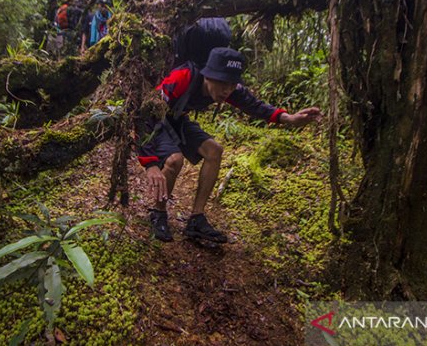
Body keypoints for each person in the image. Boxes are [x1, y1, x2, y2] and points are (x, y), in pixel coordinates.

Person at [137, 47, 323, 243]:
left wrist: (288, 118)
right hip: (156, 119)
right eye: (223, 83)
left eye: (232, 84)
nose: (227, 90)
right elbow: (144, 112)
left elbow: (253, 105)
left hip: (178, 118)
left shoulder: (228, 90)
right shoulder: (183, 77)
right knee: (174, 160)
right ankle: (158, 213)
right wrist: (150, 164)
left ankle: (196, 219)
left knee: (214, 151)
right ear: (207, 76)